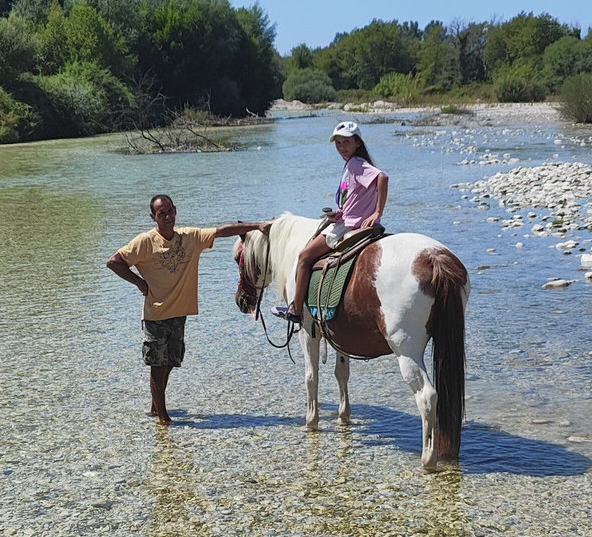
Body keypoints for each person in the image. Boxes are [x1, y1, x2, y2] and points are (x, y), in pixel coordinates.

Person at [107, 194, 270, 425]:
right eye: (161, 213)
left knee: (170, 362)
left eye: (170, 211)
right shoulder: (145, 242)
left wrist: (257, 226)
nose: (167, 217)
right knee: (157, 365)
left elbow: (221, 231)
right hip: (156, 315)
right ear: (153, 217)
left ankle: (156, 405)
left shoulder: (190, 237)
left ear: (175, 210)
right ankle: (163, 419)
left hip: (179, 313)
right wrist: (140, 283)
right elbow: (114, 261)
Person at [271, 120, 389, 323]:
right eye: (338, 143)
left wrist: (377, 211)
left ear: (357, 143)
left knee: (304, 257)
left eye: (346, 142)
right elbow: (357, 197)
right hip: (346, 218)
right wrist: (340, 212)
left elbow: (383, 178)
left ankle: (296, 309)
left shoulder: (355, 163)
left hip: (347, 226)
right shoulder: (352, 164)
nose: (342, 147)